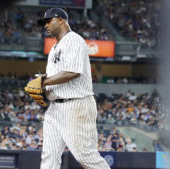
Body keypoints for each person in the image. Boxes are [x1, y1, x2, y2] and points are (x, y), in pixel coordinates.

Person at [37, 8, 111, 169]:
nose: (45, 25)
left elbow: (73, 72)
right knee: (49, 157)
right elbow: (54, 80)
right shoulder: (55, 48)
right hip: (55, 108)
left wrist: (44, 82)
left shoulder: (74, 40)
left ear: (61, 20)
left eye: (48, 21)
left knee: (85, 156)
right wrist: (42, 88)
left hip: (76, 106)